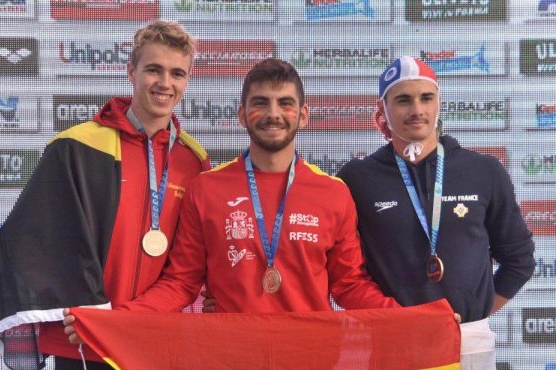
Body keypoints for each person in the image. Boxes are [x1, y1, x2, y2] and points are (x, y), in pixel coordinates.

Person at [0, 21, 210, 370]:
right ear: (130, 72)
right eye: (153, 69)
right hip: (87, 349)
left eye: (177, 73)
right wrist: (85, 312)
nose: (164, 83)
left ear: (188, 81)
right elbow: (26, 242)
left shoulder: (194, 162)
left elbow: (191, 267)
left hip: (157, 356)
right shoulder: (76, 146)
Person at [64, 57, 398, 334]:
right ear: (241, 116)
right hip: (228, 369)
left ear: (304, 115)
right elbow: (181, 283)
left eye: (285, 103)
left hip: (311, 367)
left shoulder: (333, 193)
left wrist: (412, 318)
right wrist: (114, 321)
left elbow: (350, 285)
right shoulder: (206, 188)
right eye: (260, 103)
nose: (273, 114)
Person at [336, 56, 535, 370]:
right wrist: (401, 322)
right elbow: (348, 273)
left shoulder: (483, 171)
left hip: (467, 341)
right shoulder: (357, 179)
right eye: (402, 100)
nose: (416, 110)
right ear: (382, 110)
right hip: (394, 343)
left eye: (426, 98)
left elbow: (519, 259)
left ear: (440, 103)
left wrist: (477, 311)